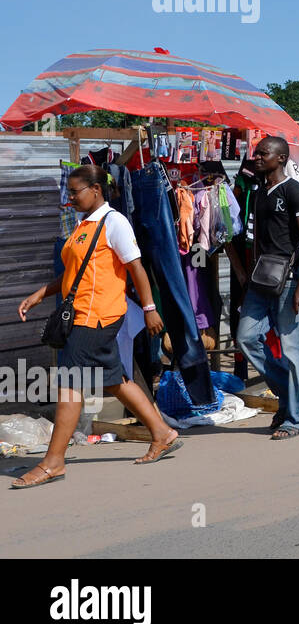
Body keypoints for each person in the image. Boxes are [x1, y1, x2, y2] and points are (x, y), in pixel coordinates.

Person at [13, 166, 181, 488]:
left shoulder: (114, 222)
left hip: (96, 316)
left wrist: (149, 309)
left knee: (69, 382)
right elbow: (73, 274)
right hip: (82, 313)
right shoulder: (83, 225)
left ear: (96, 190)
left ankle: (53, 461)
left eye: (76, 192)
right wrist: (39, 294)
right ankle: (163, 433)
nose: (71, 197)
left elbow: (136, 268)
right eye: (70, 192)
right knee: (115, 379)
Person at [233, 136, 299, 440]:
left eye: (263, 154)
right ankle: (288, 396)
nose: (257, 158)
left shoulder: (294, 190)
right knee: (245, 338)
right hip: (261, 280)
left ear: (281, 158)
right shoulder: (257, 192)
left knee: (294, 352)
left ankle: (296, 419)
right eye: (257, 153)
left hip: (290, 280)